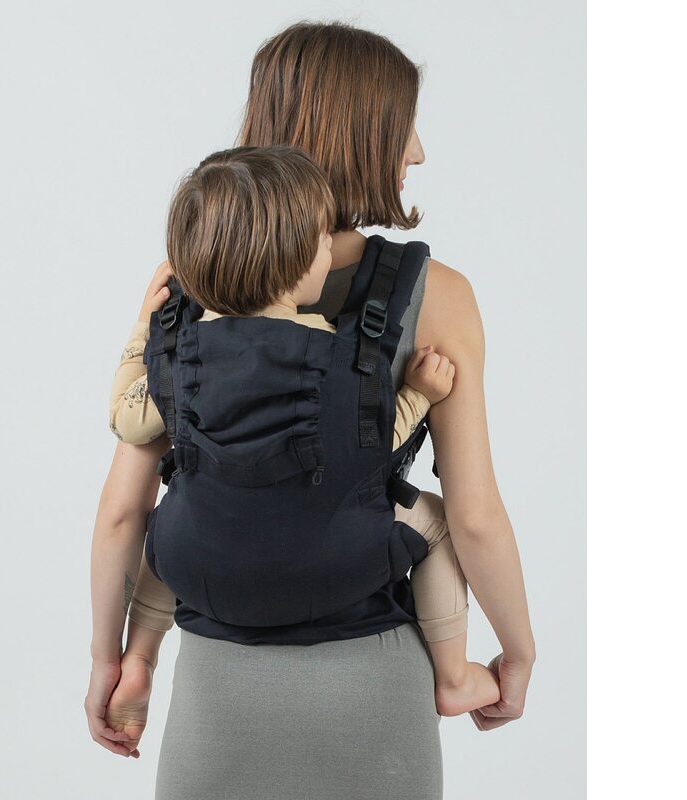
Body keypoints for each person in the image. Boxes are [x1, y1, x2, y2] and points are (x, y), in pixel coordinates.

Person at [85, 21, 535, 800]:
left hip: (218, 691)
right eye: (403, 127)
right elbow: (473, 517)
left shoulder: (191, 276)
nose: (418, 151)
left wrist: (115, 657)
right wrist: (518, 653)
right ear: (358, 131)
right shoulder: (438, 296)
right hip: (375, 694)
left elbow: (127, 511)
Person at [107, 143, 499, 719]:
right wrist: (421, 394)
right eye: (320, 240)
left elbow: (124, 416)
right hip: (327, 570)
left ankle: (140, 657)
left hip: (206, 572)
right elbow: (371, 444)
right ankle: (455, 675)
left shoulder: (180, 356)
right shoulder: (332, 352)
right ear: (290, 261)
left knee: (174, 525)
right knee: (438, 524)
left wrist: (145, 325)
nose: (330, 250)